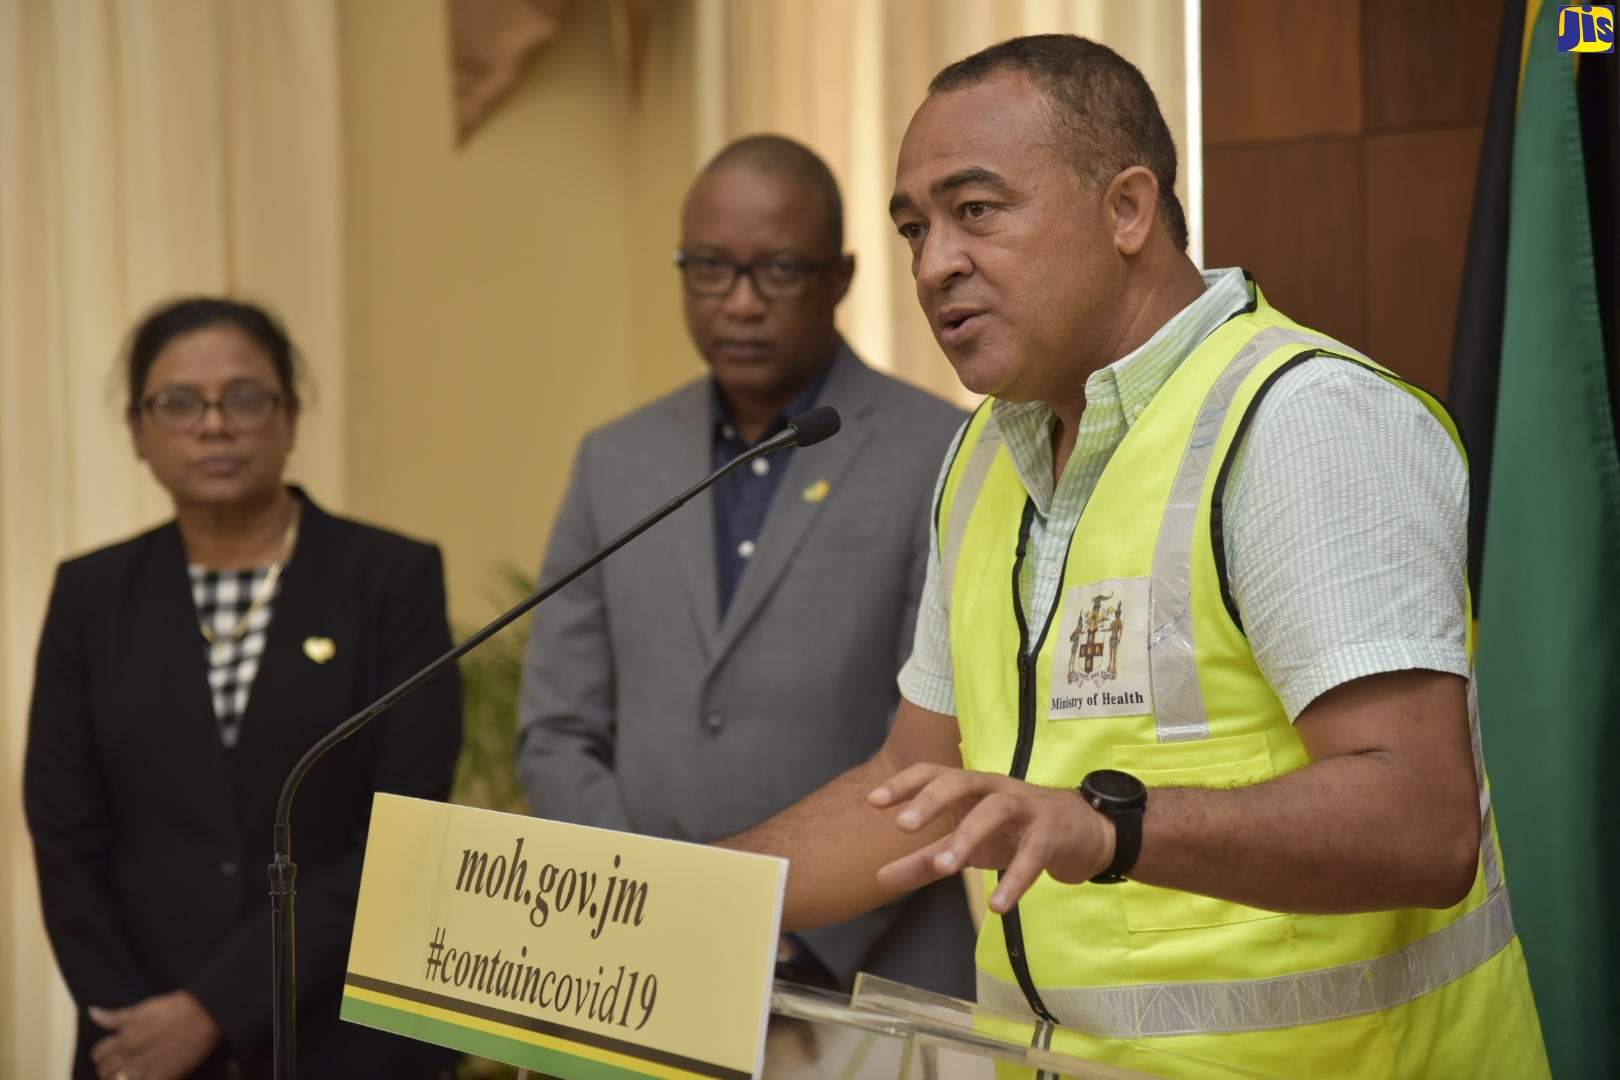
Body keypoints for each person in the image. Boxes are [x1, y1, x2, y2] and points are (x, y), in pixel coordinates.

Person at [724, 36, 1551, 1080]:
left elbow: (1421, 820)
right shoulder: (984, 455)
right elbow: (915, 779)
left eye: (976, 211)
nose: (935, 263)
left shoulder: (1301, 423)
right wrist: (661, 903)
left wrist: (1106, 827)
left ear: (1127, 208)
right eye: (914, 228)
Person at [515, 135, 975, 997]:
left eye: (778, 271)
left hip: (870, 971)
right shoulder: (614, 461)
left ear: (839, 278)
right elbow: (559, 729)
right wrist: (645, 916)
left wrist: (778, 939)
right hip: (634, 966)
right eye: (710, 269)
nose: (740, 303)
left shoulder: (943, 451)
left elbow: (939, 749)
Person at [23, 298, 464, 1080]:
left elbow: (404, 834)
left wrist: (216, 1011)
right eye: (179, 403)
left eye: (246, 398)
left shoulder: (392, 579)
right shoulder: (91, 594)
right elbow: (64, 836)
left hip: (343, 1034)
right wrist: (137, 1026)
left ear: (290, 419)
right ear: (137, 430)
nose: (214, 424)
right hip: (139, 1041)